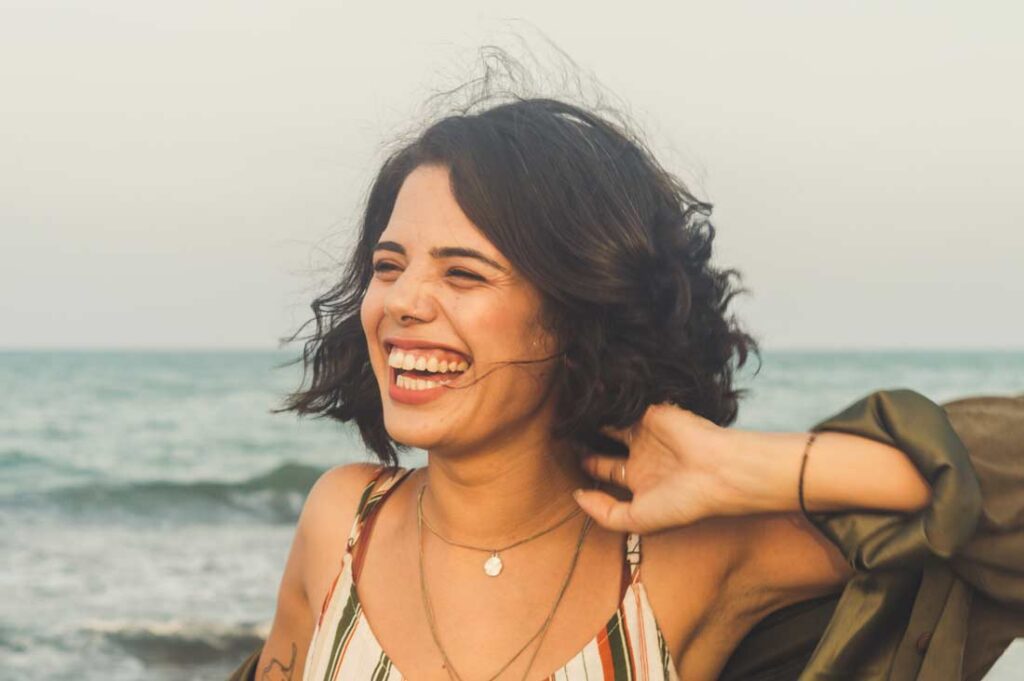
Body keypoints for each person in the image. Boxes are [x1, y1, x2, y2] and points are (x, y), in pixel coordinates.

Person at [228, 96, 1023, 680]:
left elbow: (986, 508)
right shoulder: (342, 521)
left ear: (574, 314)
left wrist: (741, 469)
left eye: (462, 272)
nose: (401, 303)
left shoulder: (685, 560)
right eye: (388, 266)